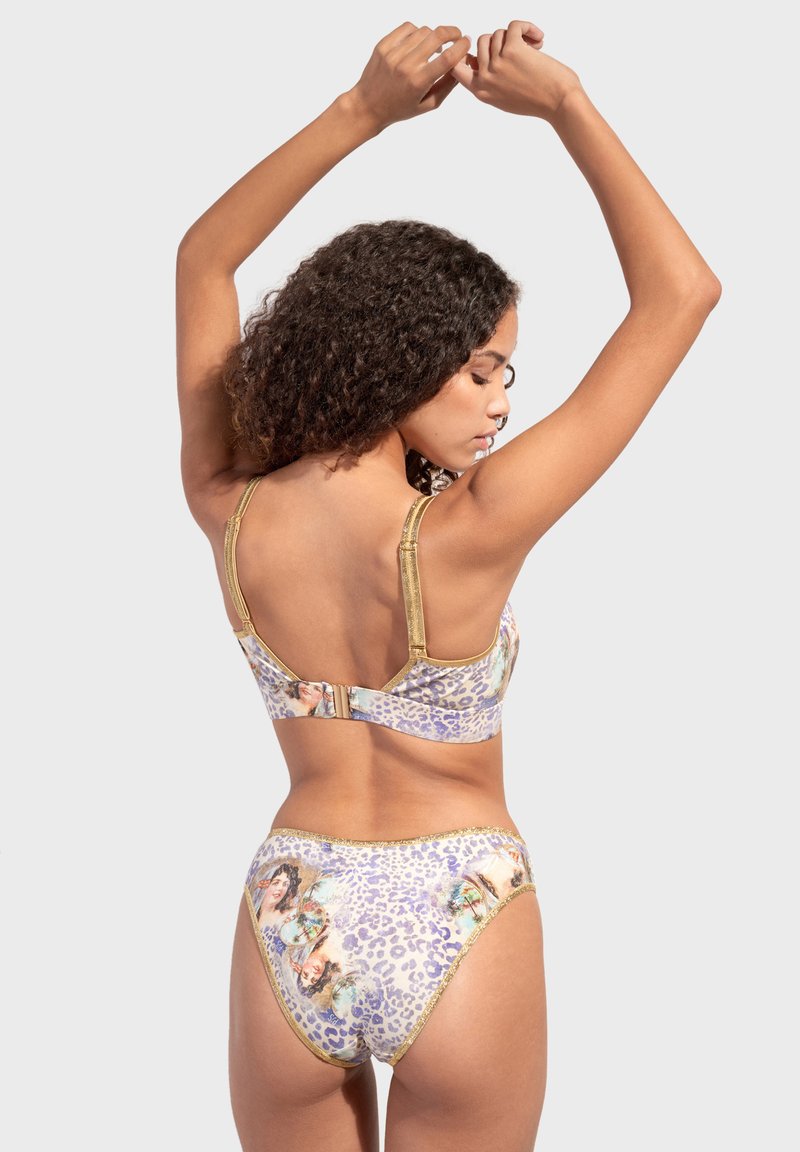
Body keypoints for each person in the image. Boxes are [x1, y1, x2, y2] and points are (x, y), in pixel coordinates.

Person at [175, 19, 720, 1151]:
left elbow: (204, 260)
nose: (500, 402)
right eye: (480, 369)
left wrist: (360, 111)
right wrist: (564, 103)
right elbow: (681, 293)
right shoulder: (469, 529)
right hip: (456, 899)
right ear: (398, 356)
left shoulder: (228, 506)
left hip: (294, 904)